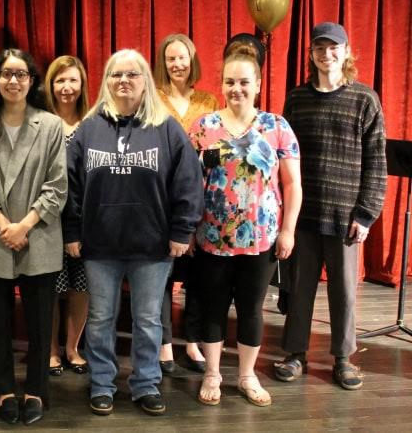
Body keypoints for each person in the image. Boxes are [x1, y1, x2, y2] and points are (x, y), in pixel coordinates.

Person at [63, 49, 203, 417]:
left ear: (145, 81)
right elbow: (70, 185)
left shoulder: (167, 127)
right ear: (105, 82)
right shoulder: (89, 128)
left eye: (132, 74)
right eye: (115, 75)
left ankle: (145, 383)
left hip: (152, 245)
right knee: (101, 319)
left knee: (147, 320)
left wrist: (181, 230)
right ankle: (103, 384)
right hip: (100, 245)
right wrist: (72, 231)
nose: (123, 81)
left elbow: (188, 183)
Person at [189, 43, 302, 407]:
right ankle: (212, 374)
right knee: (213, 307)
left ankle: (247, 375)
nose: (236, 88)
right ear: (221, 85)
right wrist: (189, 229)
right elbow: (190, 185)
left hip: (261, 240)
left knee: (252, 309)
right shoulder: (204, 127)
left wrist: (288, 230)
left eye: (243, 82)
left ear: (257, 85)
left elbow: (292, 184)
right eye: (229, 81)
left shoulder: (277, 127)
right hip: (211, 239)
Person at [275, 22, 386, 391]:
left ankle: (343, 358)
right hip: (303, 215)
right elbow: (282, 156)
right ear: (311, 54)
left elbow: (377, 161)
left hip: (345, 218)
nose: (327, 54)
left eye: (333, 48)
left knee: (343, 292)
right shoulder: (296, 99)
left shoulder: (365, 99)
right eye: (320, 48)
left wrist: (366, 213)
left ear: (346, 51)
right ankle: (294, 354)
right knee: (299, 287)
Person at [0, 49, 67, 425]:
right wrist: (5, 224)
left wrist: (24, 225)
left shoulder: (50, 125)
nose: (14, 81)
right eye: (7, 74)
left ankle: (37, 389)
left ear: (32, 81)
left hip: (38, 234)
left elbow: (57, 185)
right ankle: (4, 388)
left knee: (41, 321)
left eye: (21, 74)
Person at [152, 33, 219, 374]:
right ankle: (164, 347)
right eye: (170, 58)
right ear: (163, 64)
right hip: (161, 200)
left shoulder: (209, 100)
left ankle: (191, 343)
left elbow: (214, 150)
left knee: (198, 277)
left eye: (182, 58)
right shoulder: (154, 99)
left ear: (193, 61)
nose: (177, 64)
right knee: (162, 275)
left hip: (200, 199)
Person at [43, 55, 90, 377]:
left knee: (80, 286)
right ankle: (50, 350)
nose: (67, 87)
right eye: (60, 80)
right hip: (47, 219)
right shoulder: (40, 123)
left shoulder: (94, 123)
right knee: (51, 287)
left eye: (73, 80)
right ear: (50, 84)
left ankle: (73, 348)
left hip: (86, 219)